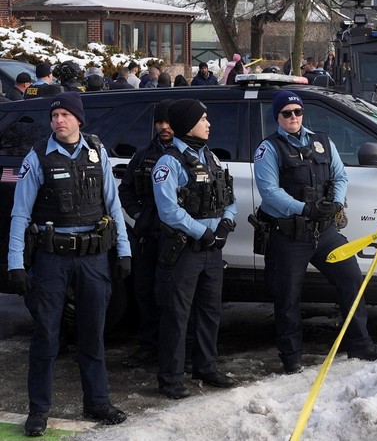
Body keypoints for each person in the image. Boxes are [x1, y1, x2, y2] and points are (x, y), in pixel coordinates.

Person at [6, 91, 132, 436]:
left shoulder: (97, 152)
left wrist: (124, 252)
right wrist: (15, 263)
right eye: (54, 115)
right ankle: (38, 410)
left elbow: (113, 204)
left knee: (93, 333)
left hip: (93, 258)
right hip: (51, 259)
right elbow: (20, 213)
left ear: (79, 119)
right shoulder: (37, 158)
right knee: (46, 336)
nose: (58, 120)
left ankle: (97, 401)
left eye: (65, 114)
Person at [253, 91, 377, 374]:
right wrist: (304, 209)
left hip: (324, 232)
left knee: (352, 279)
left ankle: (360, 345)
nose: (293, 117)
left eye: (297, 112)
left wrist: (336, 202)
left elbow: (340, 175)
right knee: (287, 297)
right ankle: (292, 359)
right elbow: (270, 193)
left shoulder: (322, 141)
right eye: (287, 113)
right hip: (289, 235)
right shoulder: (269, 149)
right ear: (277, 116)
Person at [151, 99, 237, 399]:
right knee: (177, 314)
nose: (209, 124)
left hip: (212, 248)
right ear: (188, 124)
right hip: (185, 248)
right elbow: (169, 211)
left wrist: (226, 224)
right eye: (203, 119)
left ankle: (206, 367)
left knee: (210, 311)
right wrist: (204, 233)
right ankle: (171, 377)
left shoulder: (210, 157)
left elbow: (228, 196)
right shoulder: (169, 162)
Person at [118, 100, 175, 368]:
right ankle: (147, 345)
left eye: (168, 122)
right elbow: (126, 190)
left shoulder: (188, 154)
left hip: (176, 237)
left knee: (173, 295)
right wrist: (139, 215)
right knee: (145, 291)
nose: (163, 127)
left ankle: (174, 350)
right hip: (147, 235)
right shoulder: (142, 156)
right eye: (159, 122)